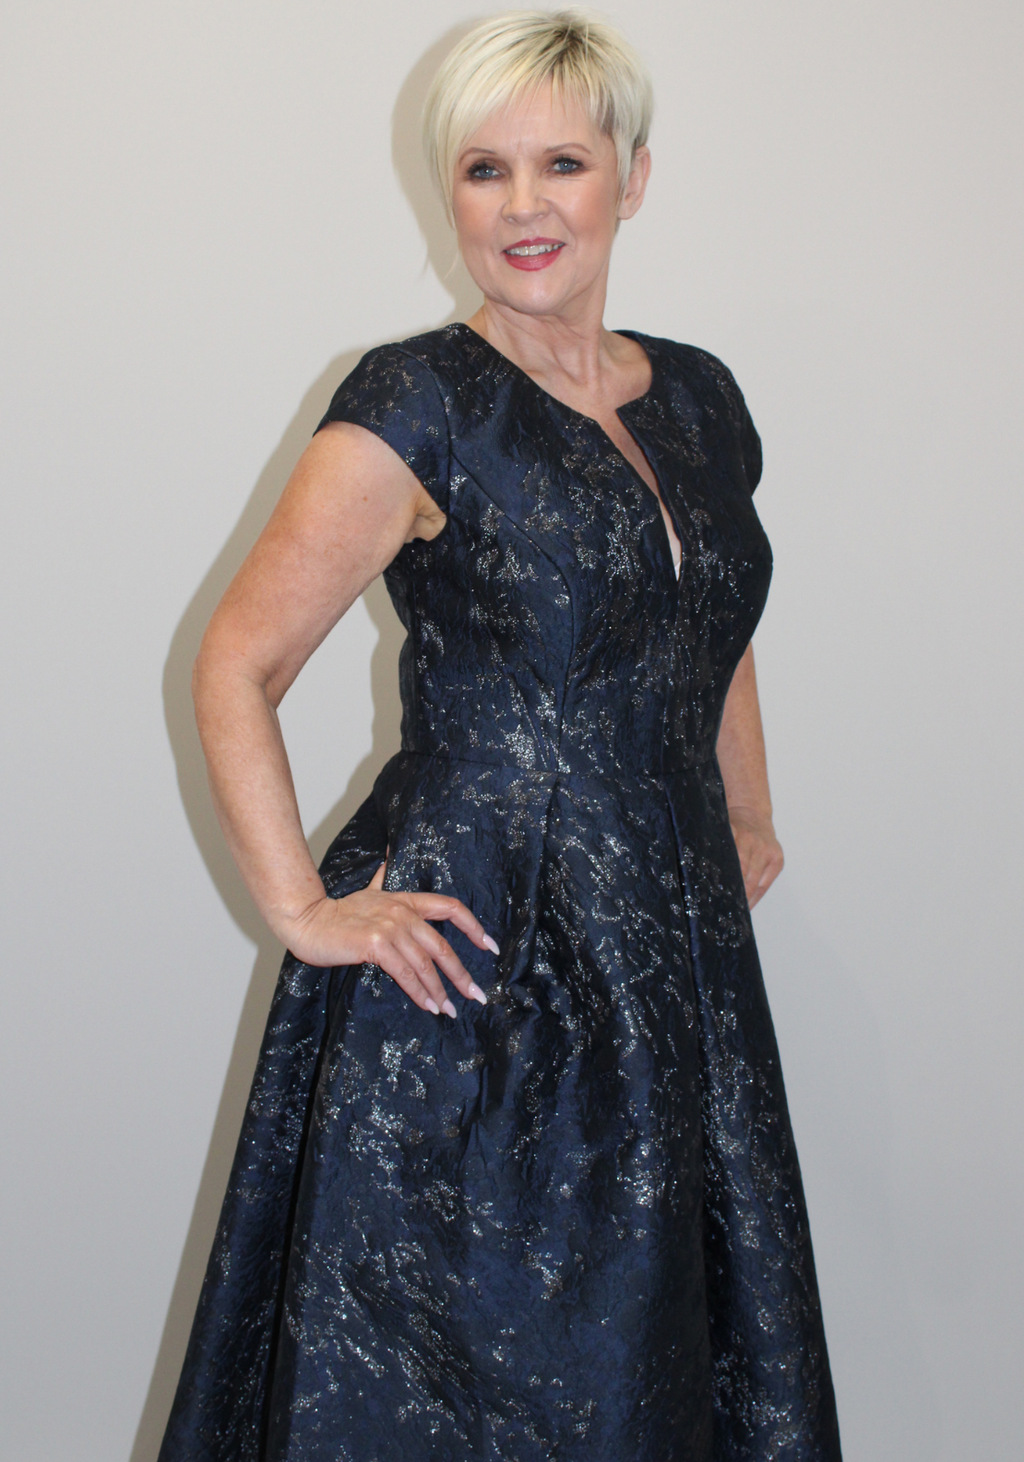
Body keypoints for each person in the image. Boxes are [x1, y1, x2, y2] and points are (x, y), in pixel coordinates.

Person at [159, 11, 841, 1461]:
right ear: (449, 192)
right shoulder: (417, 402)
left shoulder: (699, 395)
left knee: (652, 1356)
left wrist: (745, 809)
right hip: (484, 962)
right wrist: (302, 908)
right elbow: (236, 659)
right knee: (486, 1374)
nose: (525, 205)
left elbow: (705, 613)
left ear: (632, 179)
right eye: (485, 170)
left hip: (670, 954)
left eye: (562, 164)